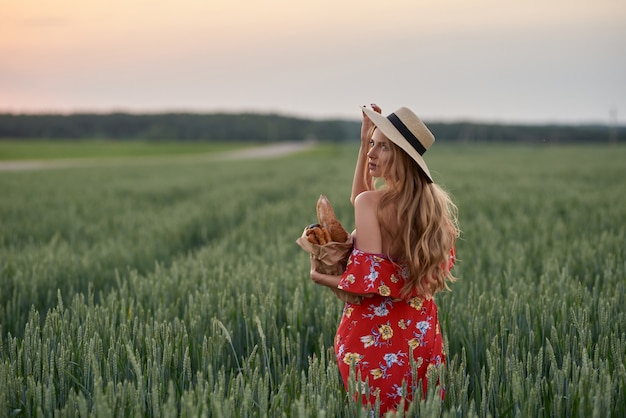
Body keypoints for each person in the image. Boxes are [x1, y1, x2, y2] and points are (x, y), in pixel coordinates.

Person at [309, 104, 459, 414]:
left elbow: (366, 285)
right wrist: (364, 142)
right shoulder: (432, 208)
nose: (371, 154)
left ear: (402, 157)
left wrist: (319, 276)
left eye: (383, 147)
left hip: (376, 339)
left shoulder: (373, 203)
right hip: (421, 336)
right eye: (372, 145)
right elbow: (362, 201)